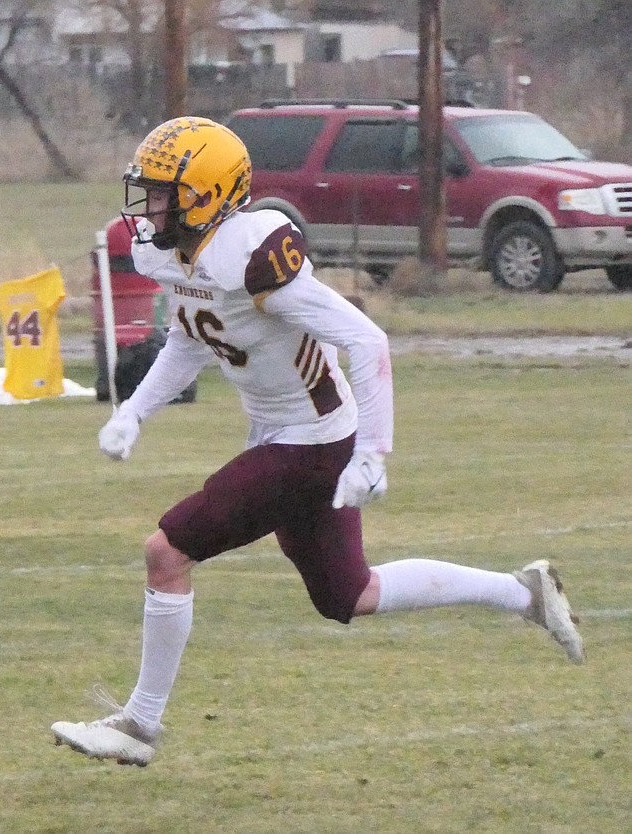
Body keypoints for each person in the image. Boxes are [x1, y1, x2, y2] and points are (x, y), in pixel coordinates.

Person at [49, 116, 585, 767]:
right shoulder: (176, 253)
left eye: (164, 191)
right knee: (347, 595)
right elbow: (192, 337)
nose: (150, 206)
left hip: (313, 442)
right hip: (284, 435)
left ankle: (139, 725)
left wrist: (371, 452)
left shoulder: (252, 252)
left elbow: (366, 340)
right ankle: (524, 593)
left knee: (168, 551)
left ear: (207, 194)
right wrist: (135, 411)